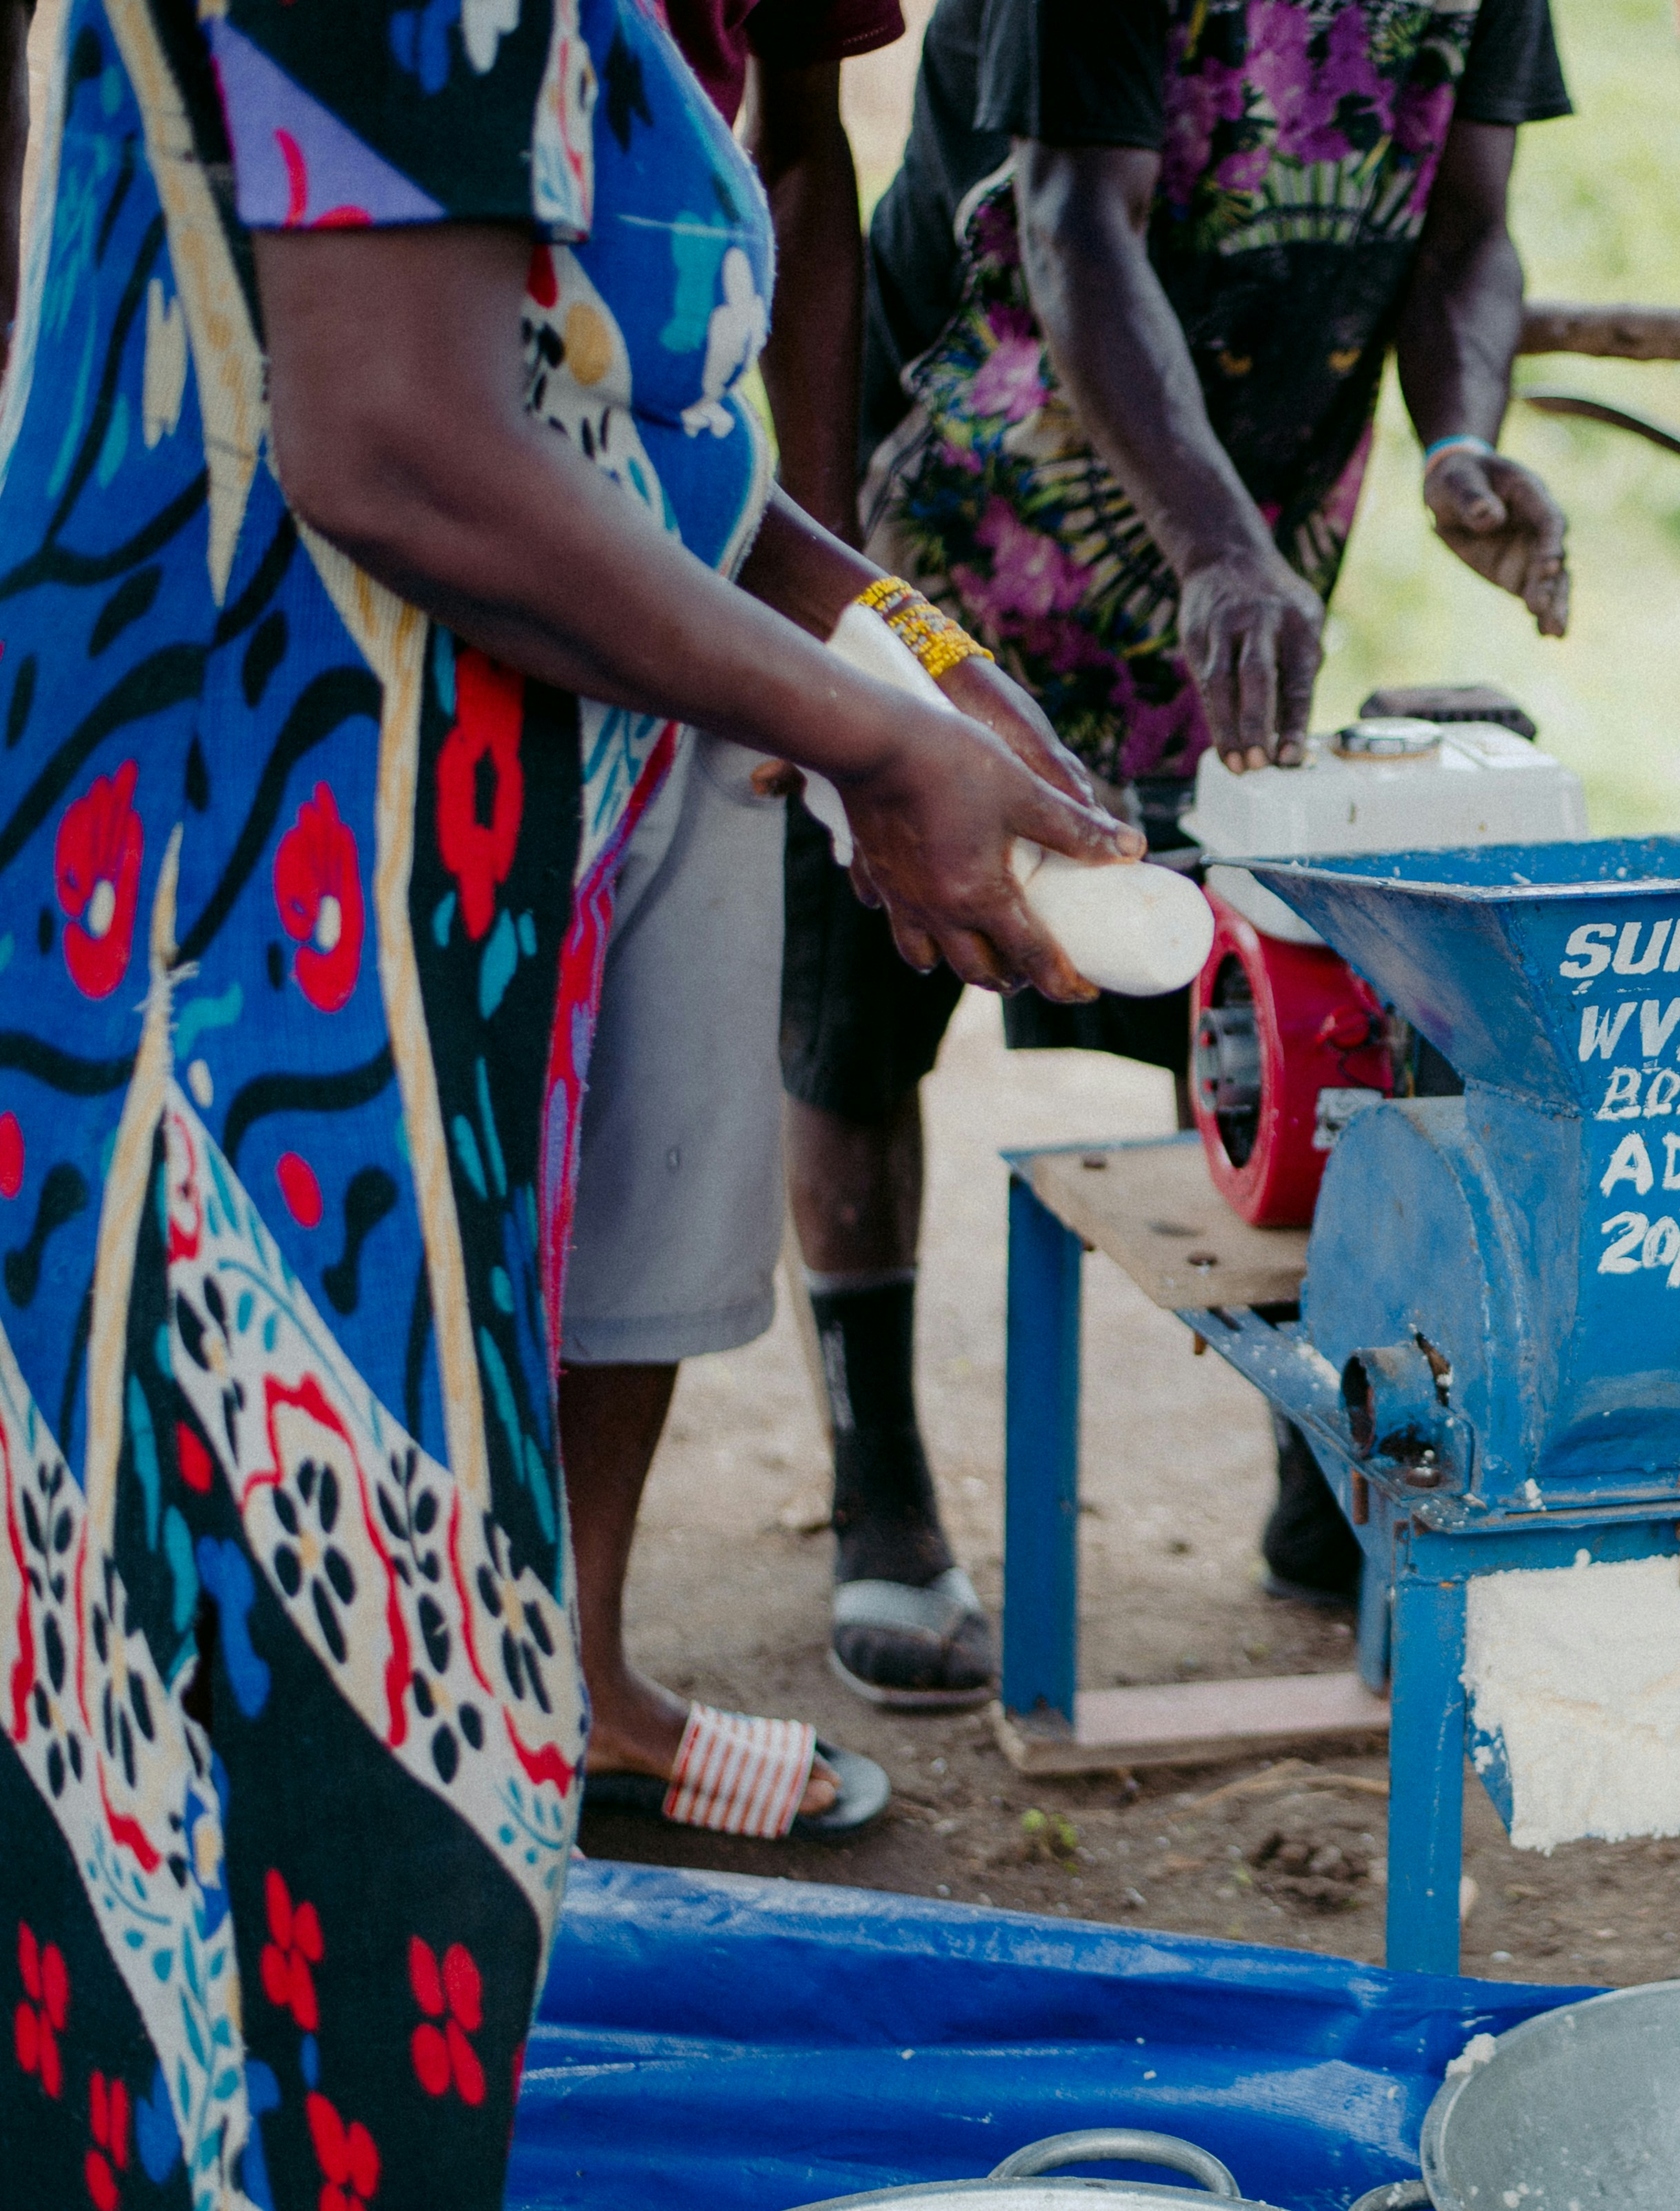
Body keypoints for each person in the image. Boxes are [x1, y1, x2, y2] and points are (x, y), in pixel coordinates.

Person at [0, 0, 1131, 2200]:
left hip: (396, 1054)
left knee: (387, 1874)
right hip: (220, 1054)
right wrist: (873, 746)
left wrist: (891, 651)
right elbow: (401, 434)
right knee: (278, 1924)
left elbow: (617, 411)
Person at [785, 0, 1577, 1701]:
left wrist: (1453, 439)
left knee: (1250, 991)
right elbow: (1074, 221)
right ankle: (883, 1499)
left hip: (1246, 528)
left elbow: (1467, 228)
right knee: (861, 998)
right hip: (959, 512)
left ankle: (1316, 1475)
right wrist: (1217, 543)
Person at [560, 0, 912, 1843]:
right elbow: (409, 419)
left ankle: (577, 1666)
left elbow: (802, 140)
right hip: (439, 585)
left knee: (668, 1137)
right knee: (451, 1185)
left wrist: (834, 623)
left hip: (689, 537)